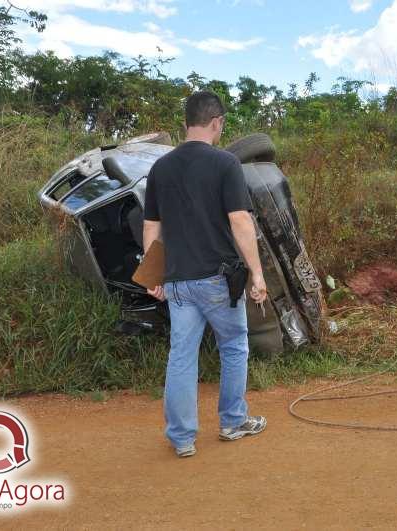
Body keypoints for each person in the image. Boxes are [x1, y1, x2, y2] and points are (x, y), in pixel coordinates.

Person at [142, 90, 268, 457]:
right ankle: (232, 421)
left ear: (185, 124)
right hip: (217, 281)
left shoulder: (160, 168)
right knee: (233, 345)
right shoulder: (225, 163)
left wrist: (154, 277)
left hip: (178, 283)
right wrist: (257, 273)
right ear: (217, 123)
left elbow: (152, 228)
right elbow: (241, 221)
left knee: (181, 355)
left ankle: (182, 439)